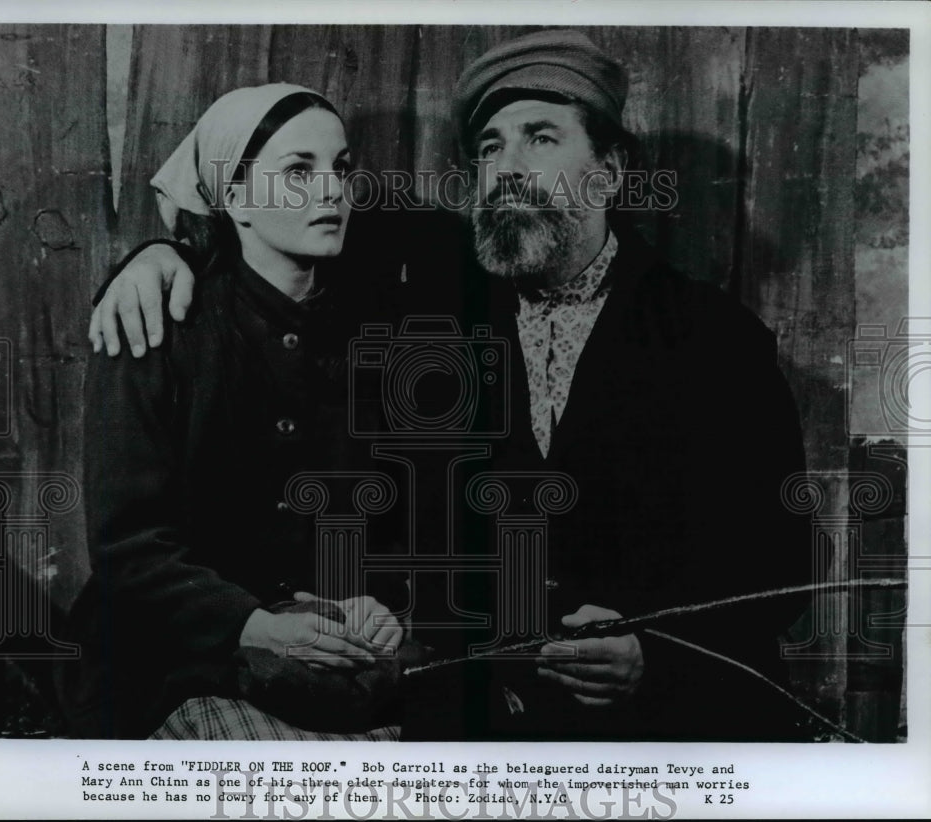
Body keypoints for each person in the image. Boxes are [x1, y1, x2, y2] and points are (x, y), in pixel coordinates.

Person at [87, 31, 813, 741]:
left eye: (542, 138)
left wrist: (658, 653)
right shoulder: (439, 298)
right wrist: (161, 255)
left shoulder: (712, 337)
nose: (509, 169)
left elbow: (774, 556)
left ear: (610, 170)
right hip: (477, 702)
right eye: (490, 148)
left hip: (659, 716)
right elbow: (272, 225)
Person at [58, 83, 414, 740]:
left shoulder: (380, 333)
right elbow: (129, 549)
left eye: (340, 168)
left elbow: (397, 516)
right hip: (175, 658)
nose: (331, 190)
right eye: (298, 171)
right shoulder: (160, 326)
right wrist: (256, 625)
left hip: (326, 651)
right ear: (236, 197)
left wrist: (379, 602)